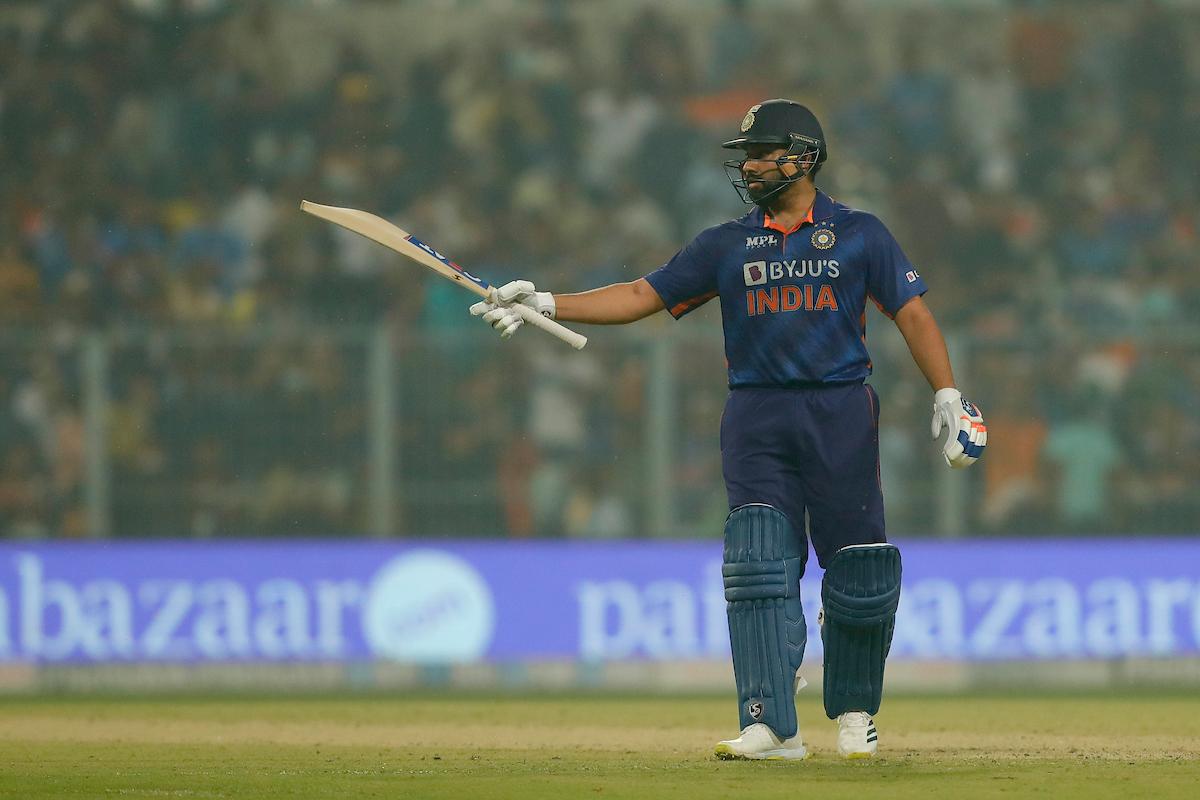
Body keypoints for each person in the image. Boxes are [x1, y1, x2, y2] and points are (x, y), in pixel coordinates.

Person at [470, 99, 987, 760]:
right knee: (759, 563)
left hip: (840, 412)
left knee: (857, 567)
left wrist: (946, 392)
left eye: (759, 152)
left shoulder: (861, 233)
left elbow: (912, 314)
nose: (746, 165)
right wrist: (544, 299)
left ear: (801, 157)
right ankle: (772, 724)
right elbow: (639, 295)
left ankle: (856, 713)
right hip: (756, 415)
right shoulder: (725, 243)